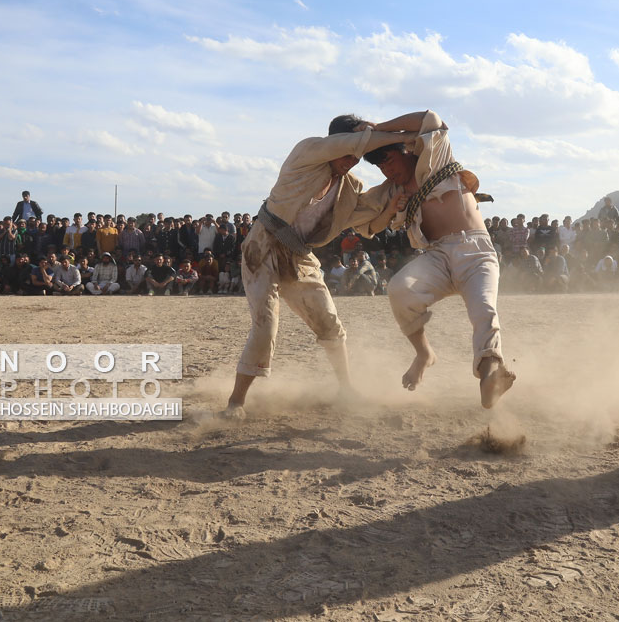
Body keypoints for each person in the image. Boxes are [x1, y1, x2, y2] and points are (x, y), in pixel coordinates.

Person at [221, 114, 410, 420]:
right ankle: (236, 403)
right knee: (266, 325)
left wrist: (391, 206)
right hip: (263, 244)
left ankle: (346, 390)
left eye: (356, 156)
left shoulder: (351, 187)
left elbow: (369, 224)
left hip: (300, 255)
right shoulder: (307, 152)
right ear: (334, 143)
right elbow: (352, 142)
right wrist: (402, 134)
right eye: (348, 151)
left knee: (329, 322)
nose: (351, 160)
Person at [362, 110, 515, 408]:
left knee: (483, 309)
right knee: (399, 289)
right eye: (380, 167)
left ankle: (491, 372)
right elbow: (366, 224)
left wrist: (379, 129)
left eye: (389, 161)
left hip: (475, 251)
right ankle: (424, 354)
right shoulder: (390, 192)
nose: (387, 172)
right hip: (436, 257)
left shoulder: (436, 158)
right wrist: (391, 207)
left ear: (405, 150)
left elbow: (430, 119)